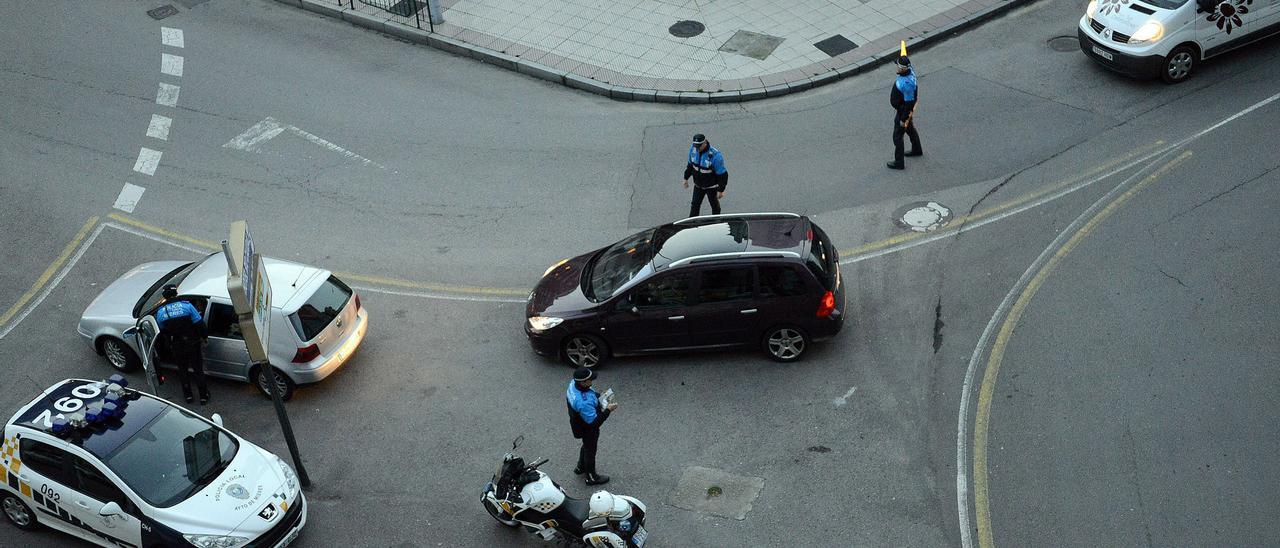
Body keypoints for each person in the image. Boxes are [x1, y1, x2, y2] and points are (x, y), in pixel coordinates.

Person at [156, 285, 210, 404]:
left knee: (183, 371)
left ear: (164, 296)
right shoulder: (187, 306)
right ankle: (203, 396)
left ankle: (188, 396)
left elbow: (162, 330)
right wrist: (204, 337)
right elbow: (200, 324)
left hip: (177, 346)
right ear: (176, 293)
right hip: (192, 343)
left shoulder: (160, 312)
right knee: (198, 370)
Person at [566, 367, 617, 486]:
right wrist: (608, 410)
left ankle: (581, 467)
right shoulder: (583, 403)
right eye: (589, 380)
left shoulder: (573, 384)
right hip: (587, 429)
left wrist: (599, 396)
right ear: (582, 382)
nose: (592, 382)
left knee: (586, 446)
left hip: (578, 423)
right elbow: (594, 423)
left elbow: (590, 393)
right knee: (590, 451)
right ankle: (591, 477)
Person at [886, 55, 923, 170]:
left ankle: (899, 162)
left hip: (903, 111)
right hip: (905, 110)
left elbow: (909, 104)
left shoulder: (906, 84)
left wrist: (903, 119)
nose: (896, 67)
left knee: (897, 136)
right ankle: (917, 149)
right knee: (910, 128)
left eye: (897, 65)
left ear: (902, 69)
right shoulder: (910, 70)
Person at [682, 133, 729, 217]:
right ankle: (692, 223)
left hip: (712, 187)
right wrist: (686, 178)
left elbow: (722, 174)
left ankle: (716, 221)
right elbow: (690, 166)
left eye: (699, 146)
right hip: (698, 185)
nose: (697, 149)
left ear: (705, 143)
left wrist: (721, 190)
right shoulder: (693, 150)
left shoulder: (715, 156)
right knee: (695, 204)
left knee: (714, 205)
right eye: (695, 146)